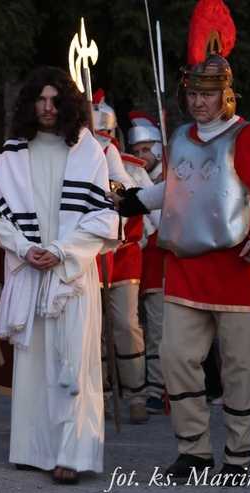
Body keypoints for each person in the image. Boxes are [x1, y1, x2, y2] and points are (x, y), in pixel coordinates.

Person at [110, 0, 250, 479]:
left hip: (238, 266)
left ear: (227, 94)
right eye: (193, 93)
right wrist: (132, 201)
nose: (200, 101)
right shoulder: (177, 139)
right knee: (177, 359)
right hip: (186, 267)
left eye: (209, 93)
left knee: (240, 369)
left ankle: (238, 456)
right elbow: (175, 188)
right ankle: (194, 449)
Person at [0, 66, 121, 484]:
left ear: (68, 104)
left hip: (71, 274)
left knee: (72, 363)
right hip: (30, 269)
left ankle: (73, 455)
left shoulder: (88, 151)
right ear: (28, 103)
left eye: (55, 100)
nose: (47, 107)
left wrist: (59, 250)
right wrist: (25, 248)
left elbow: (101, 216)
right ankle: (33, 449)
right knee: (33, 363)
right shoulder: (11, 155)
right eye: (40, 99)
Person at [91, 94, 150, 425]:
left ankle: (136, 395)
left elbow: (148, 201)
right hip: (91, 250)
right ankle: (99, 394)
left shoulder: (129, 165)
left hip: (125, 252)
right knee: (94, 328)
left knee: (126, 325)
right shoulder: (74, 155)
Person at [127, 110, 168, 415]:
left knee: (158, 331)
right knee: (135, 331)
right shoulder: (131, 175)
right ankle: (139, 386)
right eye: (136, 150)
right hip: (135, 264)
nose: (142, 155)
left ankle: (156, 387)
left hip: (161, 265)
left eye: (145, 149)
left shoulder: (173, 176)